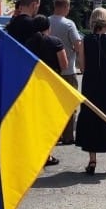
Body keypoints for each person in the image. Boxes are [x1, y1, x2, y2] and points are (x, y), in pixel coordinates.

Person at [75, 7, 106, 175]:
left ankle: (92, 161)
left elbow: (81, 66)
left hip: (90, 85)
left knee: (91, 119)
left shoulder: (85, 40)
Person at [26, 14, 67, 167]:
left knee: (36, 120)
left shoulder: (28, 43)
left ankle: (35, 152)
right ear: (48, 27)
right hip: (52, 86)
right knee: (49, 121)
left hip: (34, 85)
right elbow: (64, 64)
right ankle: (47, 155)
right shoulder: (55, 42)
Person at [49, 0, 83, 145]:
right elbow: (77, 45)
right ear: (65, 7)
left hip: (50, 72)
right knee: (69, 104)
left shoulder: (46, 21)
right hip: (68, 70)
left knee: (52, 105)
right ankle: (68, 136)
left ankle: (53, 136)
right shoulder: (69, 24)